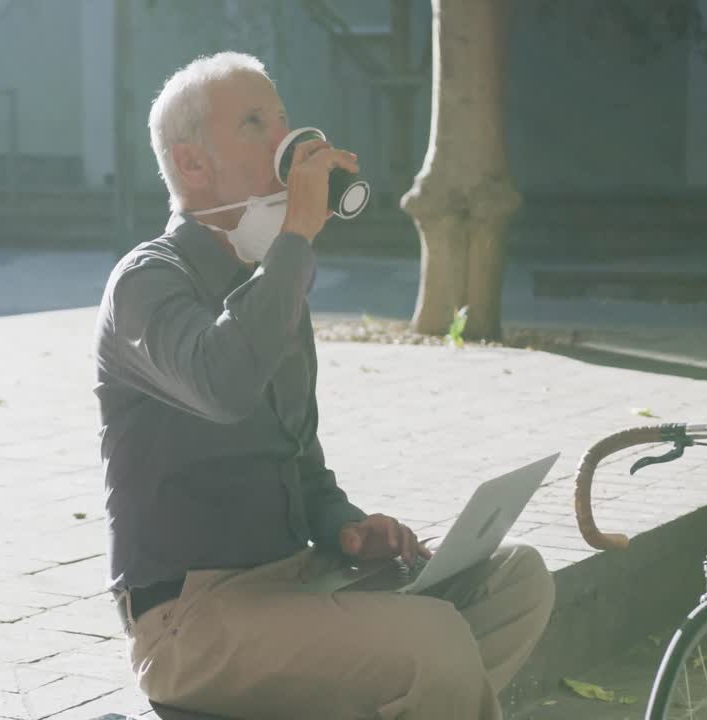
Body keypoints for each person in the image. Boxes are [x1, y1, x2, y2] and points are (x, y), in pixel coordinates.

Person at [92, 51, 555, 719]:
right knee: (435, 645)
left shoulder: (274, 284)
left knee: (517, 580)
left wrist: (347, 526)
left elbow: (301, 463)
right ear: (192, 164)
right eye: (255, 123)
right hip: (191, 619)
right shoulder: (146, 283)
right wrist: (296, 238)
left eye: (281, 117)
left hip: (297, 580)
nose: (286, 139)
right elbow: (224, 384)